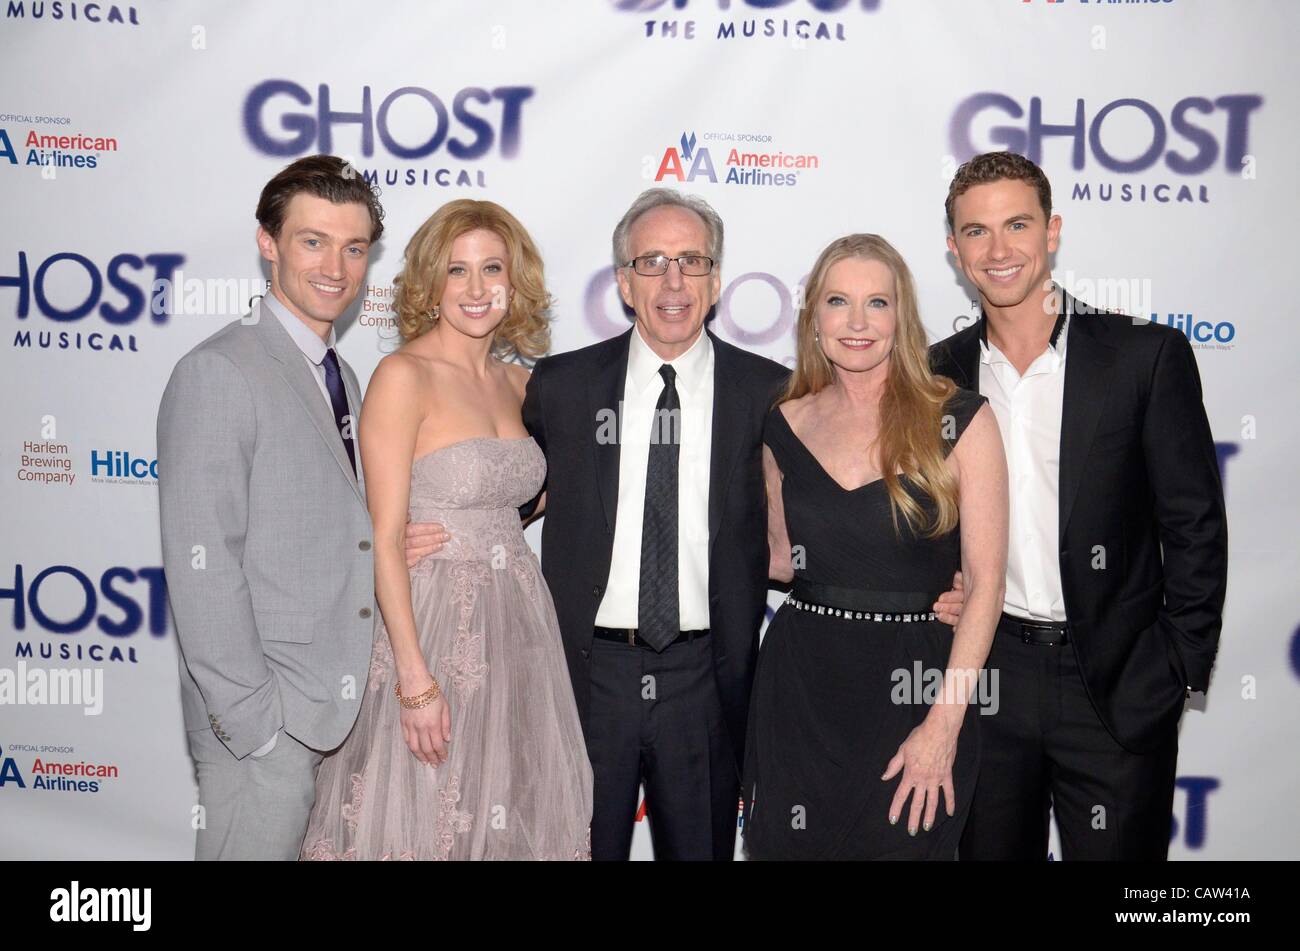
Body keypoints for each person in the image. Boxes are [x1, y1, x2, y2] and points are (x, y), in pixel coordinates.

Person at [515, 188, 972, 860]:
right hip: (587, 675)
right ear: (623, 282)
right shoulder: (562, 385)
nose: (674, 281)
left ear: (717, 279)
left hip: (709, 678)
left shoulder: (776, 396)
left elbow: (836, 516)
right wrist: (442, 533)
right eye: (653, 262)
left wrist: (943, 580)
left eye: (693, 261)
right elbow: (514, 487)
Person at [930, 151, 1228, 860]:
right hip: (987, 681)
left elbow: (1195, 524)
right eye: (976, 231)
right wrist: (936, 586)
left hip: (1118, 687)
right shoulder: (938, 372)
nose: (998, 250)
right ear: (953, 248)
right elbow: (914, 515)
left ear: (1052, 231)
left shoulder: (1142, 355)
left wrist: (1176, 667)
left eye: (1017, 225)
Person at [301, 199, 592, 860]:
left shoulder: (520, 383)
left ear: (514, 281)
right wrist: (414, 677)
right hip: (429, 622)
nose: (476, 287)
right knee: (423, 809)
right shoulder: (405, 376)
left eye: (492, 268)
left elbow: (519, 494)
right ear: (430, 285)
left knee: (502, 809)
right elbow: (380, 532)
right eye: (456, 271)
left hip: (517, 626)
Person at [740, 234, 1008, 860]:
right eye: (838, 301)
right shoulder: (783, 423)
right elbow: (777, 559)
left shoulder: (960, 418)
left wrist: (943, 725)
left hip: (917, 690)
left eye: (877, 303)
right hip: (800, 689)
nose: (857, 323)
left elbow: (988, 585)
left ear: (901, 319)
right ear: (814, 320)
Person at [158, 155, 388, 859]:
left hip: (339, 709)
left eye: (353, 248)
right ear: (268, 242)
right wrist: (257, 723)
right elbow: (202, 561)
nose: (336, 268)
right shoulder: (220, 370)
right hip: (267, 726)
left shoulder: (341, 373)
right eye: (312, 241)